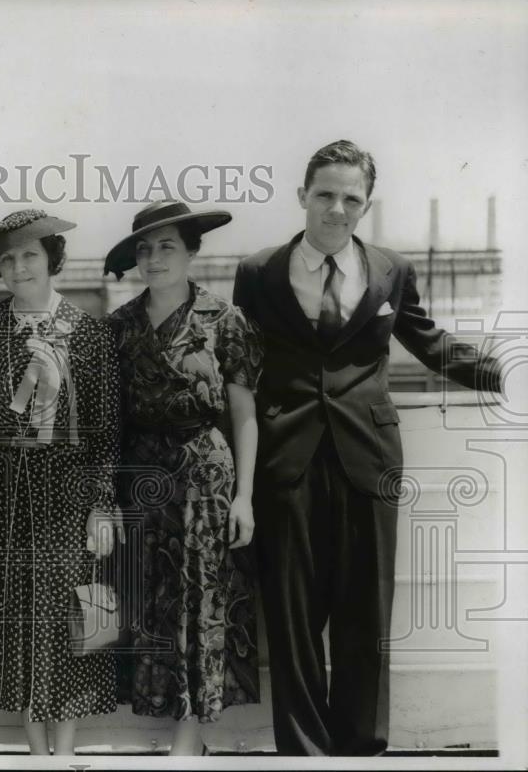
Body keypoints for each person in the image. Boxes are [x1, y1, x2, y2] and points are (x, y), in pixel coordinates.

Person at [232, 140, 505, 756]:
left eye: (351, 198)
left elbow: (430, 344)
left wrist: (507, 376)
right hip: (287, 459)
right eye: (325, 195)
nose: (336, 209)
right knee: (293, 618)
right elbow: (239, 369)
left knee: (366, 614)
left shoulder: (390, 269)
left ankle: (362, 753)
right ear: (302, 196)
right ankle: (304, 756)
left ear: (366, 205)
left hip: (369, 458)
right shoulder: (258, 272)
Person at [0, 209, 121, 755]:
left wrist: (101, 504)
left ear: (52, 257)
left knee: (65, 615)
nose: (18, 266)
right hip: (4, 497)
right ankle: (34, 752)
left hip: (67, 497)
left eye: (29, 254)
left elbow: (105, 428)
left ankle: (67, 751)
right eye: (7, 259)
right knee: (15, 621)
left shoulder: (89, 331)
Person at [105, 200, 262, 756]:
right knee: (149, 601)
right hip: (141, 483)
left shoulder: (225, 319)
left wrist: (244, 496)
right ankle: (164, 721)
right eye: (144, 249)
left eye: (166, 246)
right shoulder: (117, 326)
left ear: (192, 251)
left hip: (204, 479)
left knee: (201, 602)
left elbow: (243, 413)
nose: (153, 258)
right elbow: (108, 421)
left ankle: (188, 737)